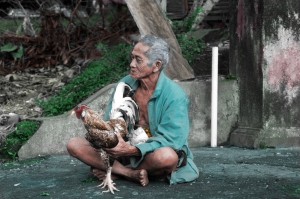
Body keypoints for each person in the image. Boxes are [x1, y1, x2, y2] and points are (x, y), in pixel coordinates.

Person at [67, 35, 199, 187]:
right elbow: (111, 119)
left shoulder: (175, 96)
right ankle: (129, 173)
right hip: (123, 150)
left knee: (167, 157)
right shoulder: (125, 84)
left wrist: (132, 150)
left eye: (138, 60)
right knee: (74, 144)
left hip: (150, 153)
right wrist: (114, 141)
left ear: (156, 65)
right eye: (132, 58)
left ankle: (117, 171)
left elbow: (172, 140)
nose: (131, 64)